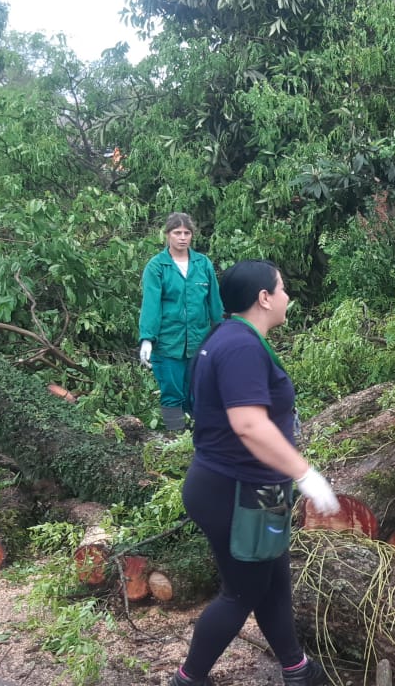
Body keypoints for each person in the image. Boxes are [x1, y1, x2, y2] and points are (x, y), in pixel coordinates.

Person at [169, 259, 340, 686]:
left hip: (250, 490)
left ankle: (297, 670)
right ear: (264, 298)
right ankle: (189, 679)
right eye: (282, 289)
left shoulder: (229, 337)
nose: (287, 297)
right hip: (234, 492)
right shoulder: (241, 347)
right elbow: (249, 423)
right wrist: (305, 474)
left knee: (272, 580)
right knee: (241, 592)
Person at [138, 213, 223, 431]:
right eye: (177, 233)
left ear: (192, 235)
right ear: (167, 235)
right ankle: (175, 441)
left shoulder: (202, 264)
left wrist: (222, 331)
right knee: (172, 393)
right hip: (168, 343)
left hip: (199, 341)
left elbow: (214, 302)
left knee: (199, 392)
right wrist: (147, 339)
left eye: (187, 233)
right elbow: (151, 304)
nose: (182, 237)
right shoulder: (157, 267)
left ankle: (200, 440)